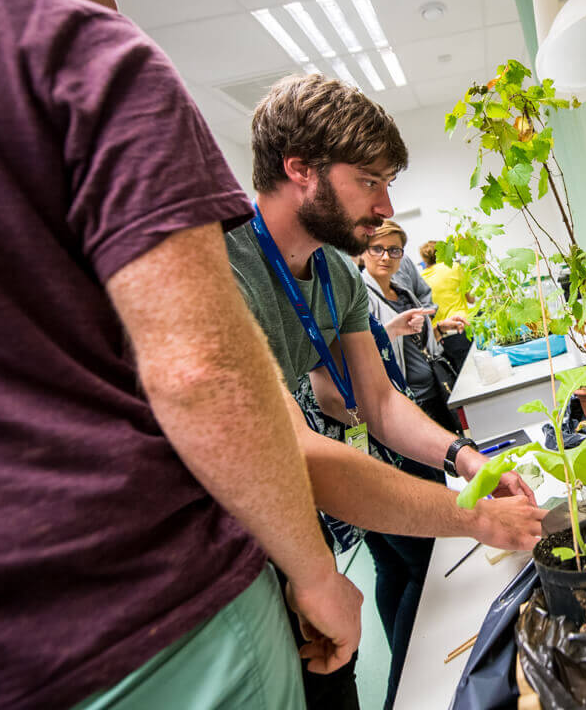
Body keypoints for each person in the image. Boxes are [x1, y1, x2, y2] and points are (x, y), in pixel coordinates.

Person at [0, 0, 363, 708]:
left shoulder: (338, 279)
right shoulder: (82, 56)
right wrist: (315, 569)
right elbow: (203, 374)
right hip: (158, 622)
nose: (110, 10)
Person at [227, 72, 546, 709]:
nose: (385, 207)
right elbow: (298, 456)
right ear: (301, 170)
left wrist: (468, 462)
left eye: (387, 183)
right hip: (229, 554)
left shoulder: (333, 274)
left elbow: (379, 403)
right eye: (368, 181)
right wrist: (480, 517)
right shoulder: (227, 270)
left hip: (284, 524)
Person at [361, 222, 467, 433]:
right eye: (377, 249)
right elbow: (360, 353)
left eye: (394, 250)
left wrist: (439, 330)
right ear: (363, 251)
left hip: (435, 390)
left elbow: (412, 345)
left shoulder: (403, 292)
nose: (386, 257)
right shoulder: (362, 297)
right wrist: (391, 330)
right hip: (409, 401)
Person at [420, 239, 475, 373]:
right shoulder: (454, 267)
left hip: (438, 337)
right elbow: (471, 299)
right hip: (460, 328)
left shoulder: (421, 278)